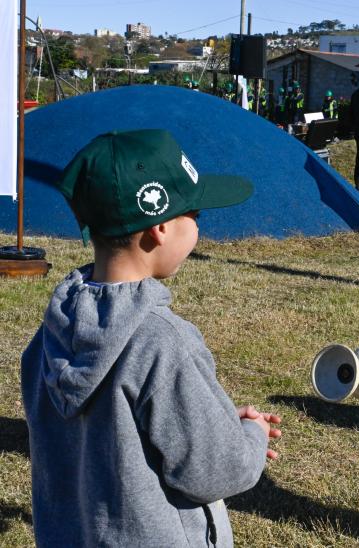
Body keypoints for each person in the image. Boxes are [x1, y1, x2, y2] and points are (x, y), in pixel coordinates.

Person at [21, 129, 283, 546]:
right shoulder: (163, 342)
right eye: (194, 213)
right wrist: (249, 436)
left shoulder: (51, 334)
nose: (199, 223)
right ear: (159, 226)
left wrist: (212, 420)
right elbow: (215, 469)